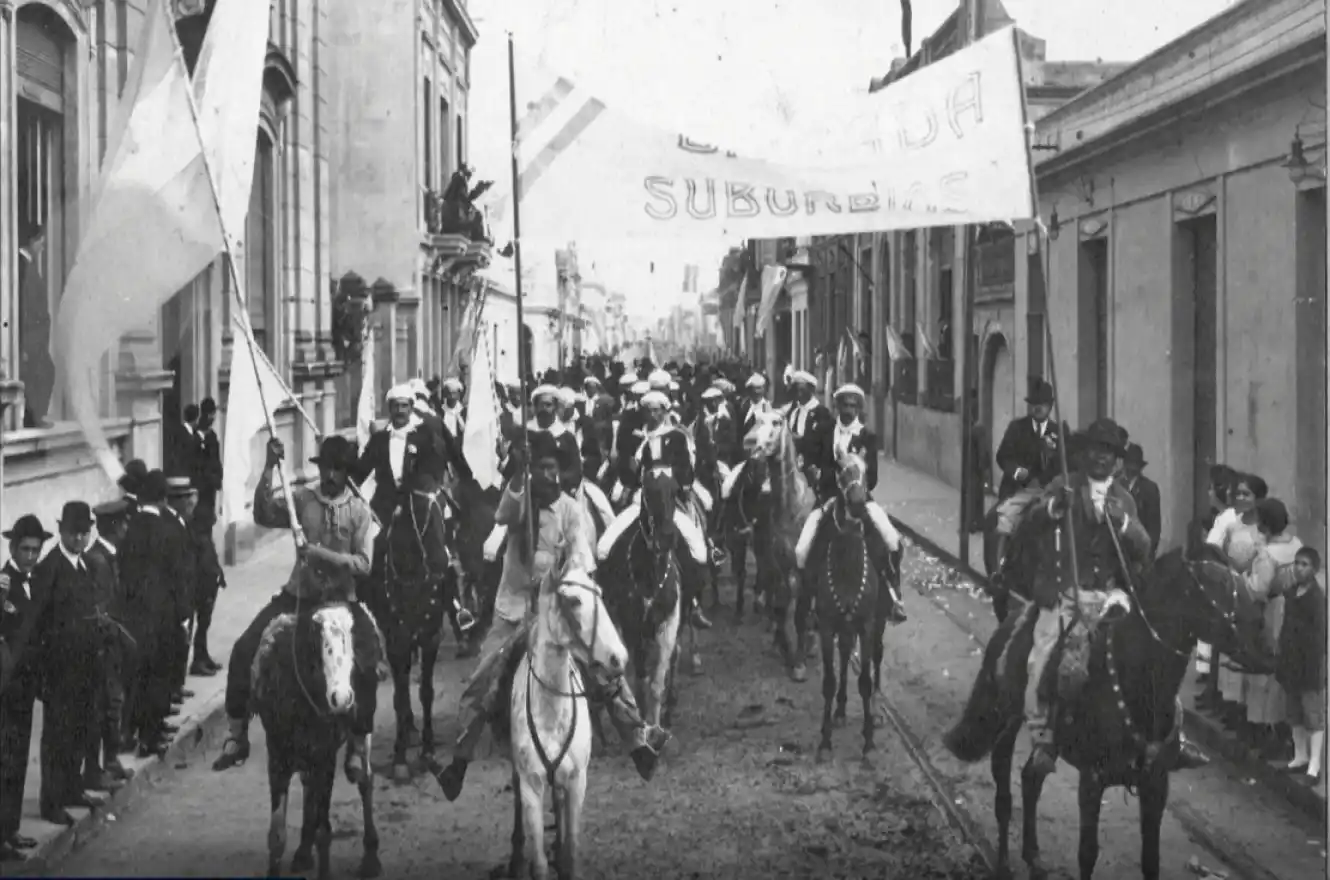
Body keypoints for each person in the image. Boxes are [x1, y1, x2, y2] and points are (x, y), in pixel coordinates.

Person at [430, 432, 670, 801]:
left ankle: (638, 741)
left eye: (553, 468)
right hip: (513, 610)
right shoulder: (521, 502)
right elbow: (501, 513)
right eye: (541, 468)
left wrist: (559, 579)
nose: (549, 476)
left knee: (604, 666)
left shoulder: (572, 511)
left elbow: (579, 559)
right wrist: (516, 475)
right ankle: (458, 764)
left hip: (557, 611)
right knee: (481, 682)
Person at [1020, 418, 1204, 774]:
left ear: (1117, 460)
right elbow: (1031, 522)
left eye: (1108, 453)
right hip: (1066, 591)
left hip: (1110, 593)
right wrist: (1053, 509)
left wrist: (1124, 524)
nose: (1101, 459)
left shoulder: (1125, 498)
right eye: (1094, 451)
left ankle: (1170, 736)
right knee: (1041, 658)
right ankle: (1043, 740)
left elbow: (1144, 548)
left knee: (1150, 657)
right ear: (1084, 453)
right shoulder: (1063, 485)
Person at [213, 435, 380, 779]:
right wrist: (270, 466)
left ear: (347, 472)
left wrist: (319, 554)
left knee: (367, 662)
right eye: (326, 468)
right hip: (298, 597)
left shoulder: (360, 511)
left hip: (341, 602)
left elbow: (364, 565)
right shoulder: (302, 499)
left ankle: (358, 742)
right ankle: (237, 732)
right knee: (245, 649)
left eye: (338, 469)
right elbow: (262, 512)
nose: (330, 475)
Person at [801, 384, 906, 623]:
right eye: (843, 405)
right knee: (804, 548)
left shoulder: (867, 437)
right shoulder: (825, 431)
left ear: (858, 407)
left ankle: (894, 596)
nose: (848, 410)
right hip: (829, 499)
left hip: (860, 501)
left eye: (852, 405)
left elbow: (874, 478)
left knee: (891, 539)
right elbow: (813, 462)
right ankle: (808, 601)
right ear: (836, 406)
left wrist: (857, 480)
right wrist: (820, 473)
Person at [32, 502, 106, 825]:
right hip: (60, 669)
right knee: (57, 736)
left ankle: (72, 787)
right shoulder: (50, 568)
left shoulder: (85, 564)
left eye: (85, 533)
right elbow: (38, 624)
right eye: (74, 533)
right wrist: (43, 674)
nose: (80, 538)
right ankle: (51, 800)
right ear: (60, 529)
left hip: (86, 665)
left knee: (80, 728)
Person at [0, 516, 50, 859]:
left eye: (35, 550)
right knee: (4, 761)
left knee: (17, 761)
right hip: (6, 688)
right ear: (12, 548)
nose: (31, 556)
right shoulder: (3, 586)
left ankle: (10, 829)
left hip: (26, 687)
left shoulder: (37, 581)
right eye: (25, 550)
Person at [990, 379, 1062, 582]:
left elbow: (1063, 464)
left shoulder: (1057, 432)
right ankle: (999, 569)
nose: (1038, 408)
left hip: (1047, 490)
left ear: (1050, 406)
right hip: (1020, 489)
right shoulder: (1017, 428)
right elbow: (1002, 456)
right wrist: (1016, 471)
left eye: (1043, 404)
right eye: (1034, 404)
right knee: (1007, 518)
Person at [1276, 546, 1325, 781]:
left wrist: (1316, 666)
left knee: (1312, 714)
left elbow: (1319, 636)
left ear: (1314, 569)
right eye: (1296, 563)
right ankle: (1300, 755)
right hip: (1291, 660)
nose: (1298, 568)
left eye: (1304, 564)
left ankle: (1315, 764)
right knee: (1294, 711)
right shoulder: (1291, 592)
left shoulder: (1317, 599)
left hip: (1309, 663)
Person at [1120, 443, 1161, 560]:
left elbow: (1154, 527)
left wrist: (1148, 555)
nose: (1130, 469)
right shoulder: (1116, 485)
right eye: (1128, 464)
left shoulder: (1149, 489)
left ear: (1140, 467)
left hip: (1140, 550)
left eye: (1134, 465)